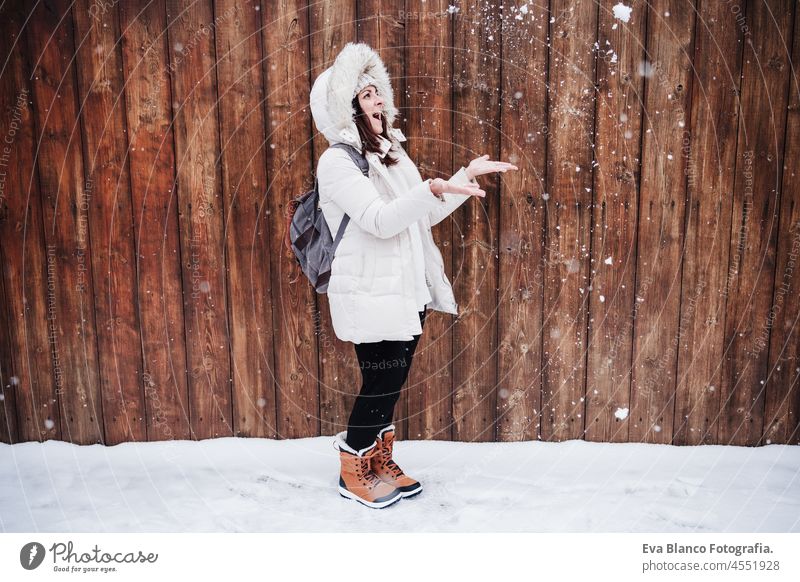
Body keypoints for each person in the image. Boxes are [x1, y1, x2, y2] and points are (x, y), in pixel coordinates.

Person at [309, 42, 518, 509]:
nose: (379, 100)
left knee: (392, 382)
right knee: (380, 383)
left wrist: (463, 176)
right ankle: (353, 466)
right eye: (366, 95)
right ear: (346, 107)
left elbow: (420, 214)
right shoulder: (337, 162)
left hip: (406, 290)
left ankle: (380, 459)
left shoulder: (391, 154)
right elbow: (381, 220)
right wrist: (431, 188)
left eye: (377, 91)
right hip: (369, 291)